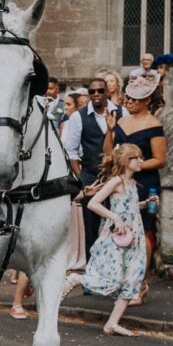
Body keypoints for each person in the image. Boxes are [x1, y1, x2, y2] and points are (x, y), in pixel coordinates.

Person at [63, 143, 149, 336]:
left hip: (134, 238)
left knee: (132, 280)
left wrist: (144, 204)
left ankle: (112, 323)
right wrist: (115, 218)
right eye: (138, 158)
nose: (142, 161)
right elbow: (93, 203)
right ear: (127, 161)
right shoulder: (116, 181)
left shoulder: (133, 184)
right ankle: (77, 278)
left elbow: (130, 208)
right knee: (113, 280)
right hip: (117, 239)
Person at [104, 72, 167, 296]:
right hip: (123, 183)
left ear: (147, 100)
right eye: (127, 98)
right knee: (122, 230)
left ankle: (139, 285)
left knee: (143, 232)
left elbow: (160, 159)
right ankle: (125, 281)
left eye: (134, 99)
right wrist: (111, 130)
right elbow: (110, 153)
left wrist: (134, 167)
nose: (129, 102)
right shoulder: (121, 121)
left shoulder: (153, 123)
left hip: (144, 183)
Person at [63, 77, 113, 253]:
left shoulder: (120, 112)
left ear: (107, 92)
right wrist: (82, 177)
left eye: (100, 90)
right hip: (90, 177)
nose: (96, 94)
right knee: (91, 228)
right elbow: (71, 151)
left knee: (116, 223)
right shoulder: (79, 116)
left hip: (116, 177)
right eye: (92, 91)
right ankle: (91, 269)